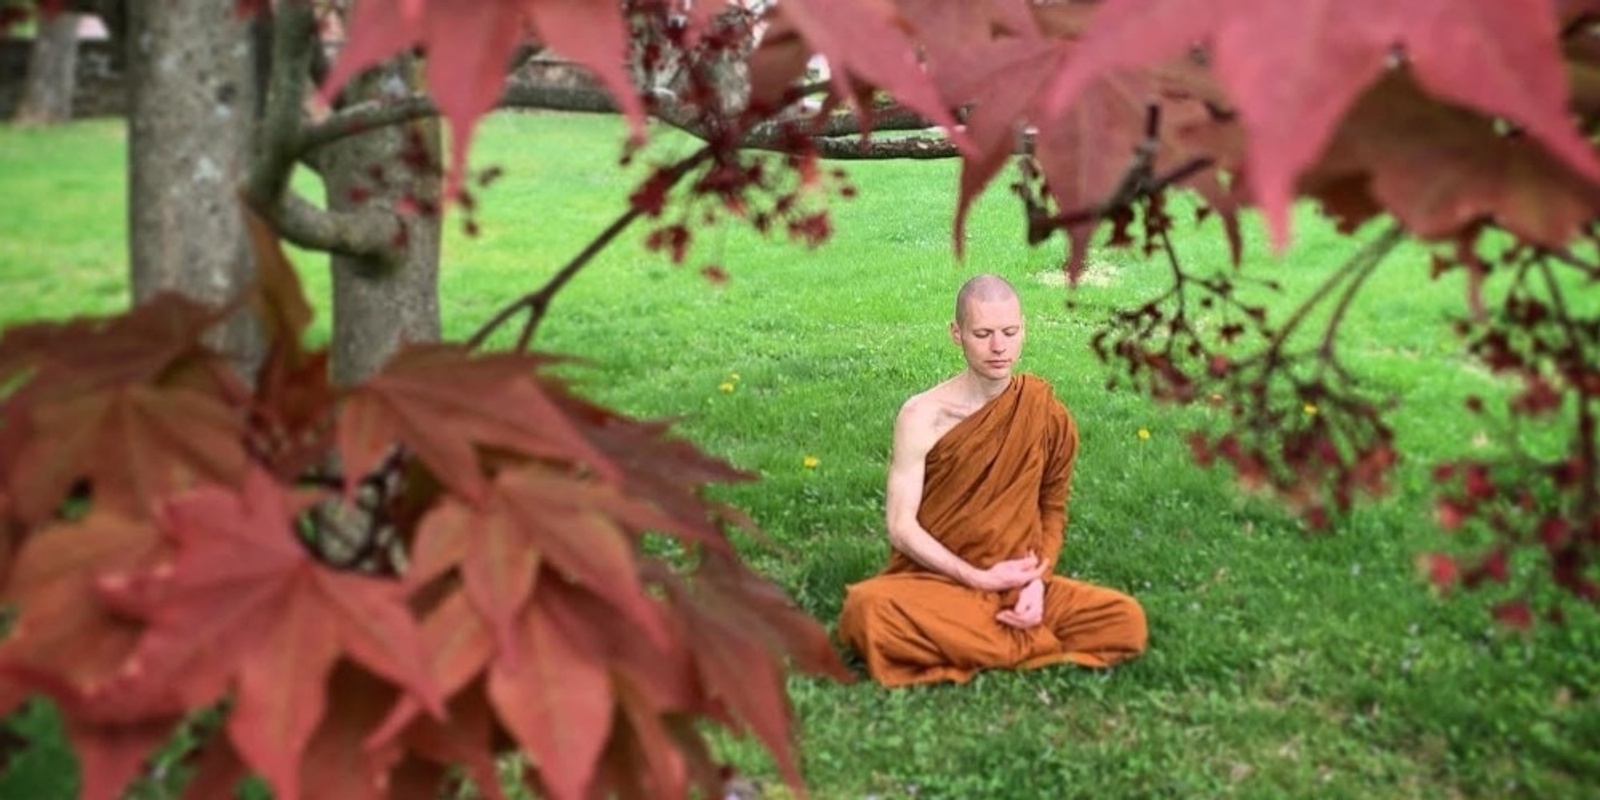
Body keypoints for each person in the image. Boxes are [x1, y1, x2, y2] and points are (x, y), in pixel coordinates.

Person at [837, 274, 1147, 687]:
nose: (998, 347)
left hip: (1018, 581)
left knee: (1125, 620)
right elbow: (900, 527)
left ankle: (995, 636)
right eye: (982, 334)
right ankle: (1025, 642)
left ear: (1024, 331)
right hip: (939, 581)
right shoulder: (921, 417)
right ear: (957, 334)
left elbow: (1052, 511)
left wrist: (1037, 582)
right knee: (867, 610)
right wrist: (977, 578)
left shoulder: (1046, 414)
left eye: (1009, 332)